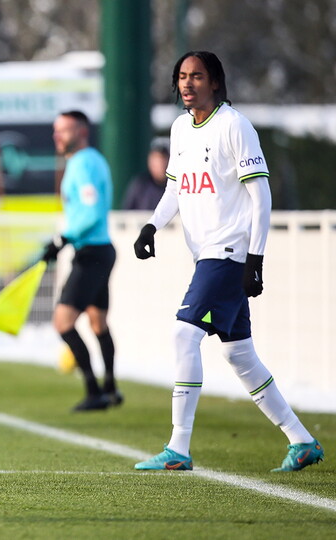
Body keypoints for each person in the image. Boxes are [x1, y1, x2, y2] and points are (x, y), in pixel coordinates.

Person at [133, 51, 323, 472]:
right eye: (182, 76)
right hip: (206, 255)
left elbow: (261, 196)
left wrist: (256, 257)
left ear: (216, 82)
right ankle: (302, 440)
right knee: (239, 354)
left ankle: (178, 449)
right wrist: (151, 226)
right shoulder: (181, 128)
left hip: (228, 253)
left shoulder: (235, 126)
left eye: (197, 76)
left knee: (184, 336)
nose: (187, 83)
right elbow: (175, 191)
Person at [42, 110, 120, 412]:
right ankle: (110, 386)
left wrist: (62, 239)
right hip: (100, 251)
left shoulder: (84, 163)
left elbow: (91, 212)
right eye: (55, 130)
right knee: (98, 321)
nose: (56, 136)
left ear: (82, 131)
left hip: (91, 254)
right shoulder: (89, 161)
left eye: (63, 130)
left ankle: (94, 391)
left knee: (62, 322)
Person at [122, 141, 169, 210]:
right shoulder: (141, 184)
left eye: (163, 159)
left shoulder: (176, 185)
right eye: (156, 160)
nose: (160, 164)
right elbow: (127, 212)